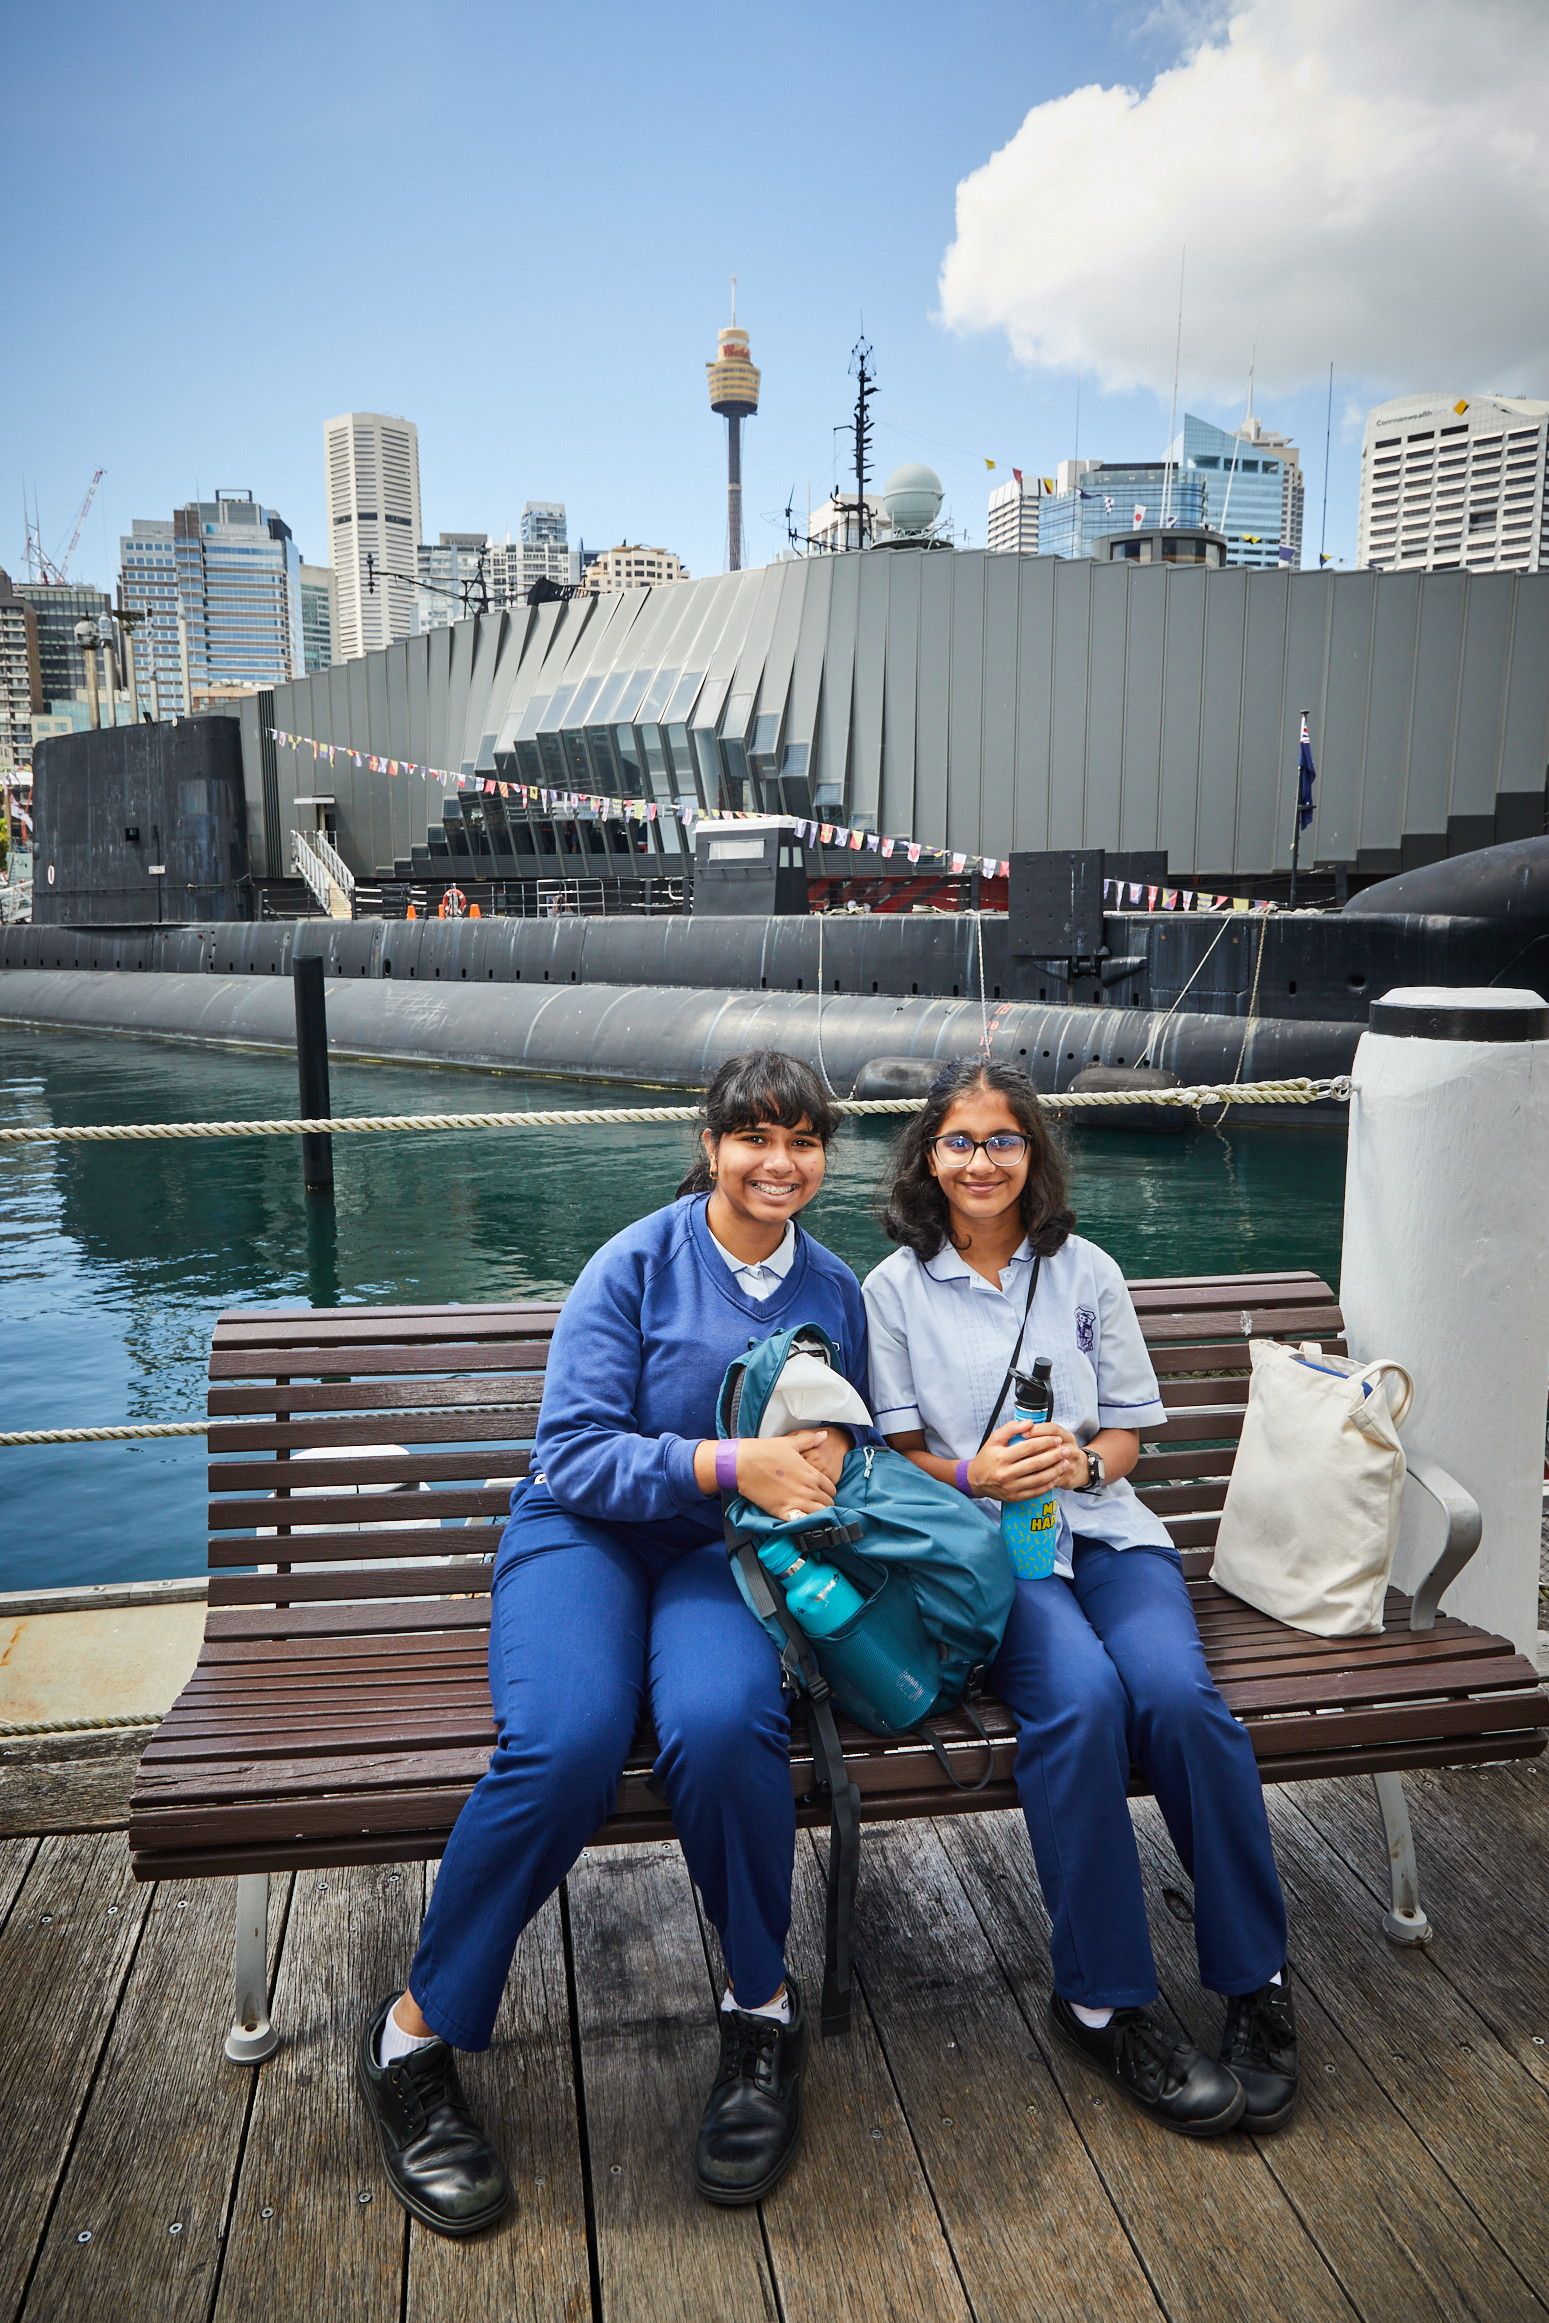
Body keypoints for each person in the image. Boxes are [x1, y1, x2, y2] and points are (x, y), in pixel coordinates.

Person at [358, 1051, 870, 2235]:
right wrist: (728, 1460)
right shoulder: (634, 1263)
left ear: (824, 1156)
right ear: (712, 1141)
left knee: (720, 1724)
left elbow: (853, 1431)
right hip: (585, 1534)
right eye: (755, 1137)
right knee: (569, 1740)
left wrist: (827, 1462)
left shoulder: (834, 1287)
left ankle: (759, 2012)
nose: (778, 1162)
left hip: (716, 1551)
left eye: (802, 1140)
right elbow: (571, 1453)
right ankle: (411, 2037)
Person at [863, 1060, 1299, 2138]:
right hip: (990, 1555)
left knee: (1180, 1702)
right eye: (958, 1141)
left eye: (1002, 1140)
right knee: (1084, 1703)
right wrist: (978, 1476)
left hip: (1105, 1534)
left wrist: (1083, 1466)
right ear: (928, 1155)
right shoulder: (893, 1290)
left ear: (1033, 1153)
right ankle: (1103, 1998)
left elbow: (1129, 1436)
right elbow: (893, 1452)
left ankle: (1255, 1980)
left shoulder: (1087, 1270)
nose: (980, 1160)